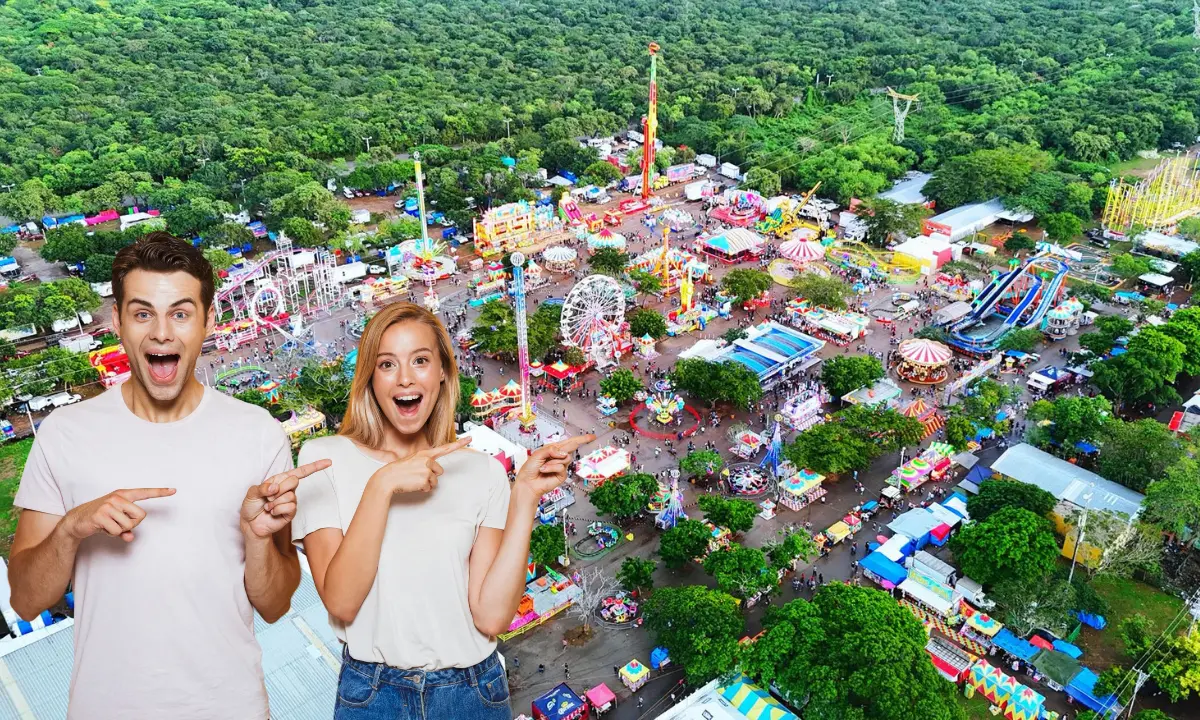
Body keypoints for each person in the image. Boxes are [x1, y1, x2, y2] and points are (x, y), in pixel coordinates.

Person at [7, 233, 329, 719]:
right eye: (142, 314)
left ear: (207, 322)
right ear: (117, 322)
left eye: (180, 313)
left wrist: (260, 539)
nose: (161, 333)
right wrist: (73, 527)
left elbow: (275, 605)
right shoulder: (64, 435)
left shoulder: (258, 434)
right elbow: (27, 600)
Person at [293, 303, 592, 719]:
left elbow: (491, 617)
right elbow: (342, 602)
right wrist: (383, 485)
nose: (405, 378)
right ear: (369, 379)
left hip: (472, 691)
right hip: (373, 695)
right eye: (386, 364)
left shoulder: (482, 471)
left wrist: (523, 496)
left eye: (420, 360)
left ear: (443, 374)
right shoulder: (324, 459)